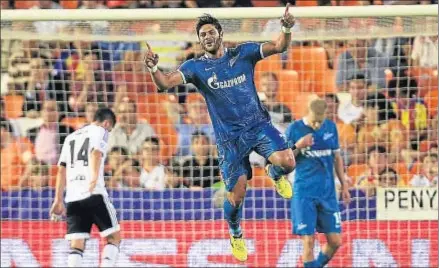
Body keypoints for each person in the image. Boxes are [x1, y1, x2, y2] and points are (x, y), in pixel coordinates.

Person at [144, 5, 296, 261]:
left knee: (288, 163)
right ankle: (235, 233)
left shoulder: (244, 53)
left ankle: (273, 171)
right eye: (202, 35)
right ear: (199, 40)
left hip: (258, 126)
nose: (206, 37)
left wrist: (286, 27)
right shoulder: (196, 67)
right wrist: (153, 69)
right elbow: (164, 84)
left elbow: (280, 46)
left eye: (210, 32)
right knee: (236, 198)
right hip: (230, 141)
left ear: (220, 33)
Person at [49, 107, 121, 267]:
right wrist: (94, 178)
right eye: (110, 128)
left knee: (77, 244)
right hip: (93, 192)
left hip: (72, 197)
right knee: (114, 237)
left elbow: (61, 169)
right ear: (107, 123)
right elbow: (96, 153)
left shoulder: (70, 137)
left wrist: (58, 200)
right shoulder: (101, 131)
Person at [285, 98, 351, 268]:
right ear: (307, 112)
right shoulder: (295, 129)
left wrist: (344, 185)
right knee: (309, 240)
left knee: (335, 241)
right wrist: (299, 145)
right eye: (314, 121)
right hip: (304, 193)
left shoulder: (331, 127)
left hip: (327, 193)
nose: (316, 125)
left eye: (320, 121)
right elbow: (284, 159)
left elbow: (336, 158)